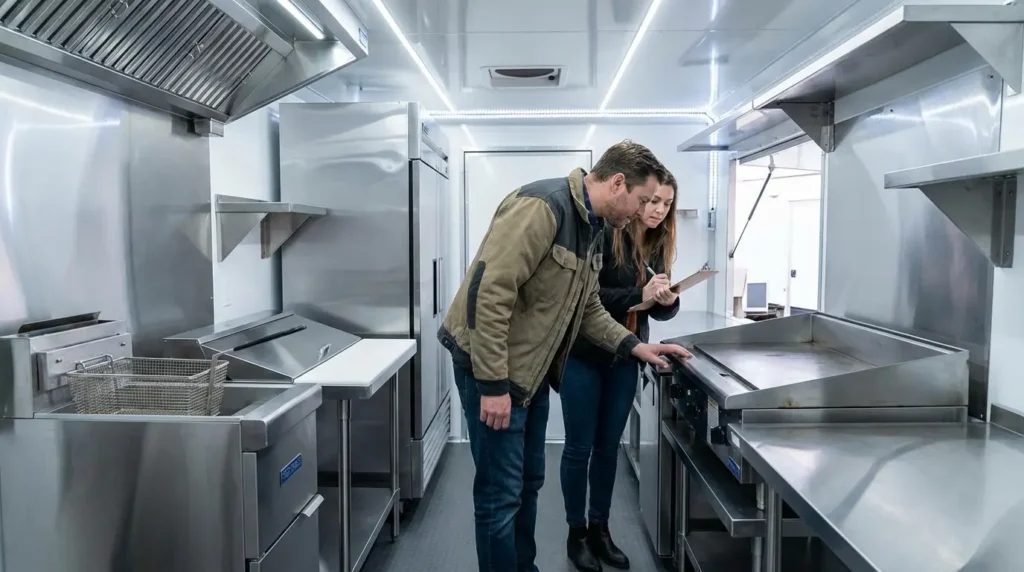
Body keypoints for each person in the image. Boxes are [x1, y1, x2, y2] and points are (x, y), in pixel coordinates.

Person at [438, 141, 691, 572]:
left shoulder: (593, 227)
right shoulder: (542, 207)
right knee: (500, 495)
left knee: (528, 483)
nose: (646, 211)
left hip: (532, 372)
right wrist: (493, 386)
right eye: (644, 199)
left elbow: (587, 307)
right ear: (617, 183)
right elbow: (490, 294)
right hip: (495, 371)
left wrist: (636, 346)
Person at [559, 172, 680, 572]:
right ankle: (576, 534)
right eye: (652, 201)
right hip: (585, 354)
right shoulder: (607, 233)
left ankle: (600, 530)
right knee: (579, 448)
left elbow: (658, 308)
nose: (658, 210)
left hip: (628, 357)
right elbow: (587, 299)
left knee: (608, 448)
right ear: (637, 198)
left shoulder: (658, 243)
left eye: (666, 204)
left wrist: (666, 299)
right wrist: (638, 295)